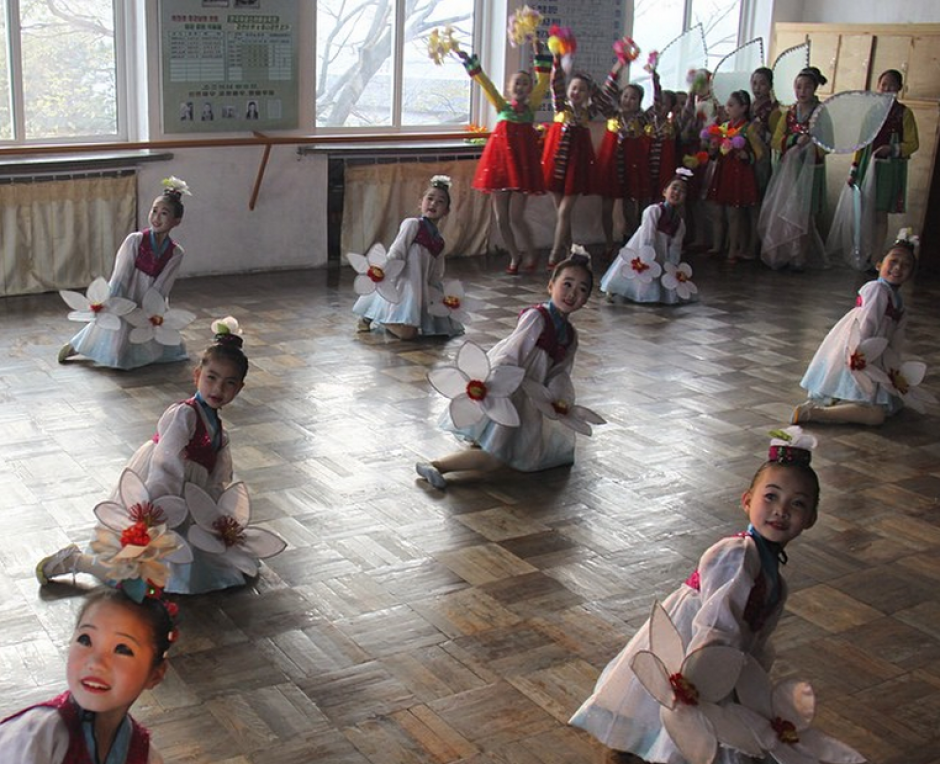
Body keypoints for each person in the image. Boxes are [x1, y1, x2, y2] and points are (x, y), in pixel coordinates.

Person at [570, 427, 820, 761]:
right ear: (747, 501)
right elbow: (717, 621)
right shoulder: (736, 554)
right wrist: (707, 678)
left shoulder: (774, 575)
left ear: (812, 518)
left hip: (724, 659)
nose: (781, 510)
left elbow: (753, 637)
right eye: (770, 497)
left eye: (797, 503)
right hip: (698, 652)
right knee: (684, 724)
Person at [39, 318, 285, 594]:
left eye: (229, 383)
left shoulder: (219, 428)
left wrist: (212, 514)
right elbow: (165, 463)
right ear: (197, 376)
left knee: (184, 562)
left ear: (239, 388)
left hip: (190, 494)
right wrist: (160, 508)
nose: (218, 389)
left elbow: (218, 475)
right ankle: (77, 562)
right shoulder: (184, 414)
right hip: (165, 490)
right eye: (211, 378)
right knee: (145, 564)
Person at [415, 251, 594, 489]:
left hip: (529, 397)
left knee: (509, 444)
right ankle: (437, 466)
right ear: (551, 286)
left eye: (582, 289)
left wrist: (555, 400)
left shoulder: (570, 336)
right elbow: (512, 352)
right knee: (497, 456)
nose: (572, 293)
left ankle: (465, 455)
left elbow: (559, 373)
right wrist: (499, 386)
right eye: (567, 284)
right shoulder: (537, 317)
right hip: (509, 387)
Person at [0, 586, 173, 762]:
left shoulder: (145, 755)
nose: (96, 663)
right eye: (85, 640)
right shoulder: (32, 738)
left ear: (155, 675)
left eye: (122, 649)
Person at [59, 178, 190, 370]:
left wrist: (150, 307)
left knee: (154, 340)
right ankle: (77, 346)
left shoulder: (176, 252)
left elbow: (162, 286)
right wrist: (118, 302)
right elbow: (121, 275)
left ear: (176, 221)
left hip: (149, 299)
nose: (157, 217)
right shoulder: (135, 240)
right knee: (114, 344)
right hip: (124, 293)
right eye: (154, 211)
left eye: (164, 214)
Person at [793, 233, 922, 426]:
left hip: (876, 353)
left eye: (905, 265)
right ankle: (816, 413)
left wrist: (891, 367)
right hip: (860, 350)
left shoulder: (899, 302)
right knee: (875, 413)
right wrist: (862, 356)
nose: (897, 268)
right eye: (893, 261)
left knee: (889, 406)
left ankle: (837, 405)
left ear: (911, 273)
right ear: (879, 265)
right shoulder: (877, 290)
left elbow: (897, 337)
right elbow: (867, 323)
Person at [459, 40, 552, 274]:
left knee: (517, 217)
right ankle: (514, 256)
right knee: (501, 220)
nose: (520, 87)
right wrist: (469, 61)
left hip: (521, 170)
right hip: (500, 169)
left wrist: (539, 54)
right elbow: (486, 84)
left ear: (529, 89)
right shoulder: (501, 106)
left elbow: (544, 81)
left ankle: (531, 251)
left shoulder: (531, 108)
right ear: (510, 88)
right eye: (517, 83)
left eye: (525, 84)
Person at [352, 176, 464, 340]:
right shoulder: (413, 224)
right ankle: (377, 316)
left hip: (418, 289)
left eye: (440, 202)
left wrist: (436, 299)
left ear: (446, 211)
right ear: (421, 203)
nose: (433, 204)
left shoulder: (439, 242)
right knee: (408, 334)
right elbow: (397, 251)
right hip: (402, 283)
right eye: (430, 199)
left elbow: (435, 273)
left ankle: (378, 315)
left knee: (426, 330)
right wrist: (383, 271)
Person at [843, 69, 920, 269]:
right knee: (861, 213)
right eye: (883, 84)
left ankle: (876, 258)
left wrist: (893, 149)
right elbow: (861, 143)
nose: (886, 89)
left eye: (891, 85)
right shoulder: (872, 112)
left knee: (879, 214)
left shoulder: (904, 114)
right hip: (866, 168)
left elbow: (912, 144)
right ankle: (861, 252)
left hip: (887, 171)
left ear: (899, 89)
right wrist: (854, 169)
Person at [759, 67, 829, 271]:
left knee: (806, 215)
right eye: (798, 86)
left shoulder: (821, 113)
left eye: (807, 87)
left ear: (815, 88)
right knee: (784, 210)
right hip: (788, 171)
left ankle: (801, 257)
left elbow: (828, 144)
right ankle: (784, 252)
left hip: (811, 171)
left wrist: (809, 148)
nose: (802, 91)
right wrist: (794, 140)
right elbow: (775, 140)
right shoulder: (789, 113)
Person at [541, 59, 602, 269]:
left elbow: (605, 99)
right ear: (568, 90)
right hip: (557, 166)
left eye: (582, 90)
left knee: (564, 212)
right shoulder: (560, 108)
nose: (577, 92)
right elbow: (555, 84)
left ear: (588, 94)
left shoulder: (587, 113)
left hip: (576, 169)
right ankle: (570, 251)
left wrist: (616, 70)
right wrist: (557, 61)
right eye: (574, 88)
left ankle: (555, 254)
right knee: (562, 214)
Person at [600, 169, 694, 305]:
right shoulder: (654, 210)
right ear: (664, 191)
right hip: (643, 247)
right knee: (636, 269)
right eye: (674, 188)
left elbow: (676, 245)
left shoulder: (679, 223)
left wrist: (673, 264)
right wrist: (647, 254)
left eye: (682, 191)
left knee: (657, 275)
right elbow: (647, 234)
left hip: (662, 252)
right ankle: (615, 289)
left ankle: (650, 295)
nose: (677, 193)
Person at [595, 64, 650, 257]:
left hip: (630, 168)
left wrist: (655, 78)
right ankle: (609, 242)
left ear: (639, 102)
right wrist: (615, 69)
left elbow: (658, 105)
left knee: (629, 209)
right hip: (610, 166)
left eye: (633, 98)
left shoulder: (641, 120)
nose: (628, 100)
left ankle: (631, 243)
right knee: (606, 208)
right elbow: (602, 98)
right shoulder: (613, 115)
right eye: (625, 96)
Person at [705, 90, 761, 263]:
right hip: (724, 170)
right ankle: (717, 245)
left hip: (739, 173)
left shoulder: (748, 128)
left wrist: (747, 156)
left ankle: (733, 250)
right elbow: (714, 152)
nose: (727, 108)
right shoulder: (724, 127)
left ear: (743, 108)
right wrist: (712, 148)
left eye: (731, 105)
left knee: (734, 213)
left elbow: (760, 153)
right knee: (718, 211)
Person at [749, 66, 782, 258]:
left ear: (770, 86)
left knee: (757, 202)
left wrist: (762, 132)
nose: (757, 87)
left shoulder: (773, 110)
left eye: (762, 83)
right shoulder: (749, 105)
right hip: (745, 158)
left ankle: (755, 245)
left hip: (761, 160)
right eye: (754, 82)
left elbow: (776, 139)